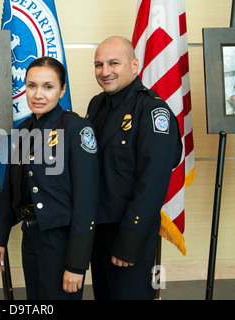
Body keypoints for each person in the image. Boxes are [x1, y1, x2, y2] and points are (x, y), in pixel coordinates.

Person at [0, 56, 99, 300]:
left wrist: (76, 265)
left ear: (62, 90)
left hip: (61, 242)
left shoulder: (76, 129)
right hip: (31, 237)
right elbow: (10, 190)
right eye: (31, 86)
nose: (38, 94)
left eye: (48, 87)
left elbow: (86, 203)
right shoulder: (23, 130)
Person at [86, 36, 182, 300]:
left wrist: (130, 238)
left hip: (129, 231)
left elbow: (153, 182)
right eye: (98, 64)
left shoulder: (152, 110)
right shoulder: (97, 105)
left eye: (114, 63)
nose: (105, 72)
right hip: (99, 229)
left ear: (135, 64)